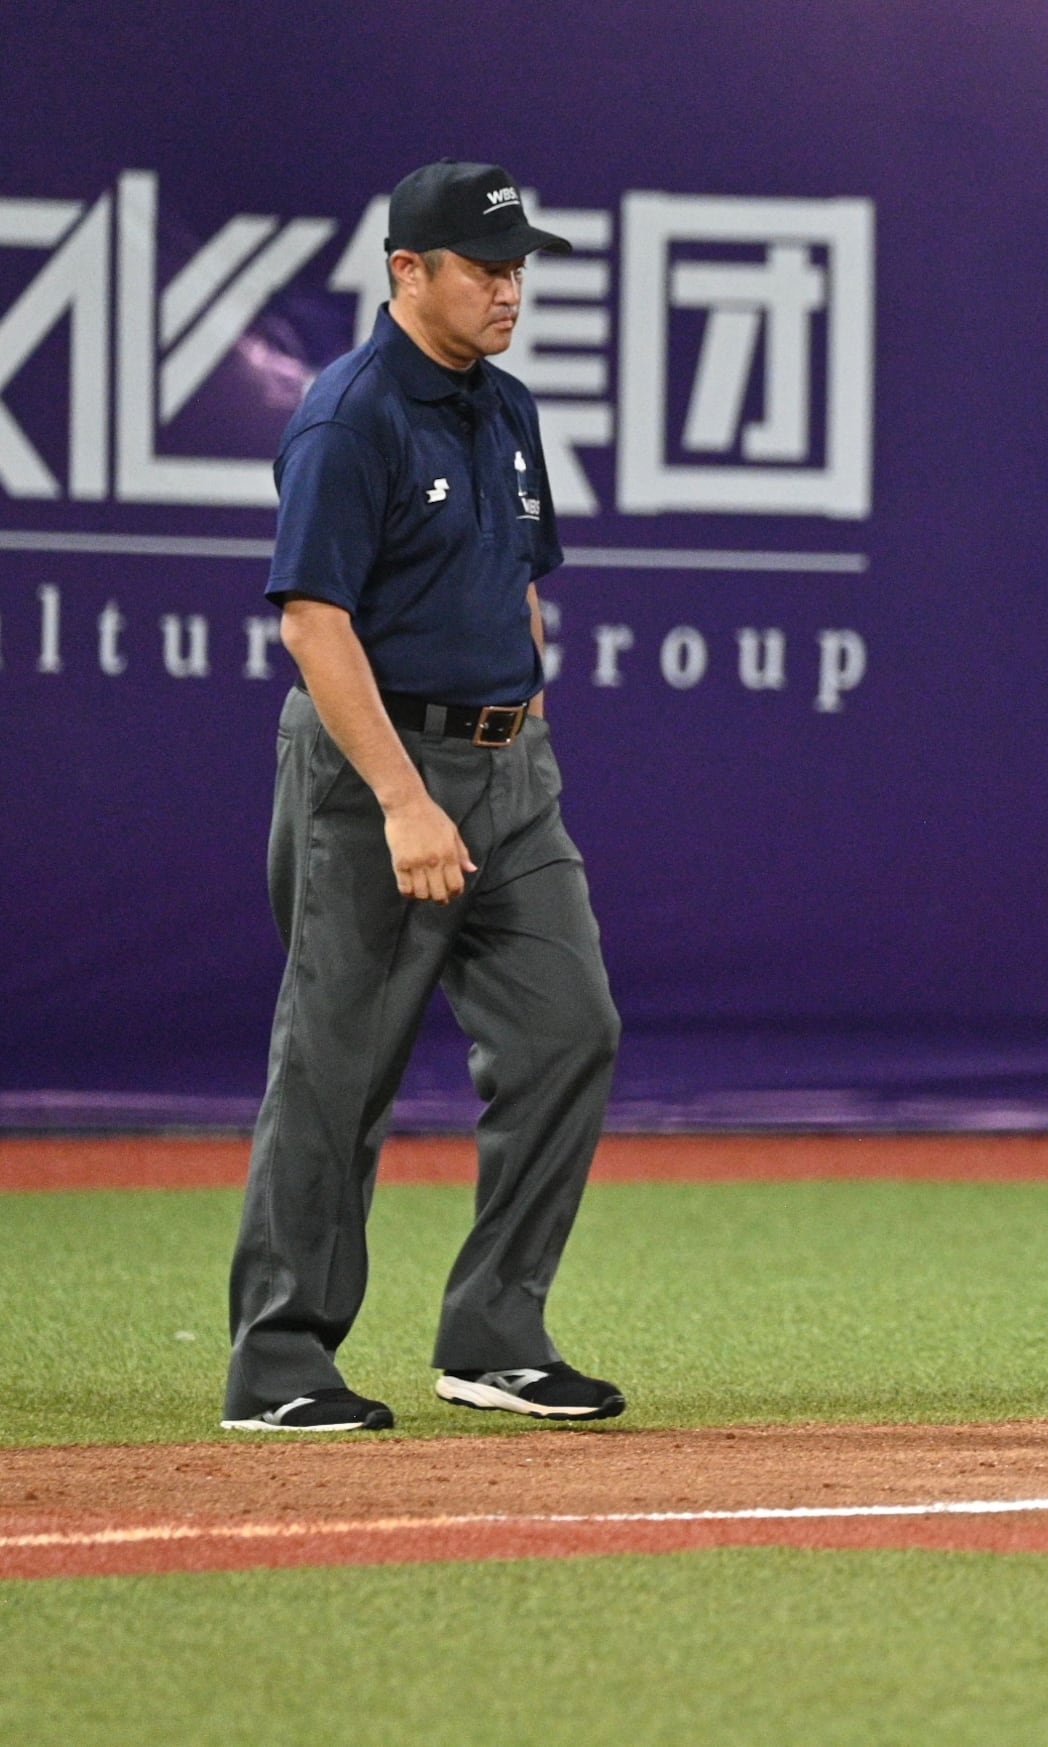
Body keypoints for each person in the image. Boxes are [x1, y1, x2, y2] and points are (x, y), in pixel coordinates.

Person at [220, 160, 625, 1432]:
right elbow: (314, 622)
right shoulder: (349, 416)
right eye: (486, 268)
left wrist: (526, 730)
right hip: (374, 774)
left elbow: (519, 582)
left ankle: (494, 1334)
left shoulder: (506, 408)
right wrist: (404, 800)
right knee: (337, 1068)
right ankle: (280, 1359)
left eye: (520, 268)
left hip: (509, 774)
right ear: (409, 269)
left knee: (570, 1031)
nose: (511, 290)